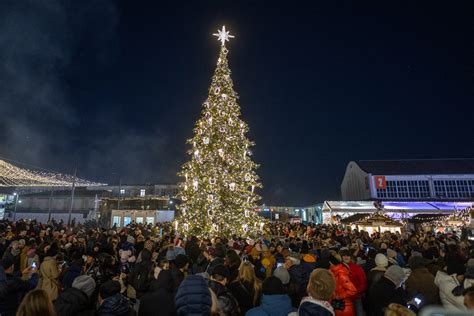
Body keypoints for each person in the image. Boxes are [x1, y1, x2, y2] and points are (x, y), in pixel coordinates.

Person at [340, 249, 366, 316]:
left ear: (350, 257)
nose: (346, 257)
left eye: (348, 255)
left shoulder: (357, 268)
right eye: (344, 256)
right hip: (344, 299)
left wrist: (355, 291)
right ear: (341, 257)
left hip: (356, 297)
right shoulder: (338, 268)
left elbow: (363, 283)